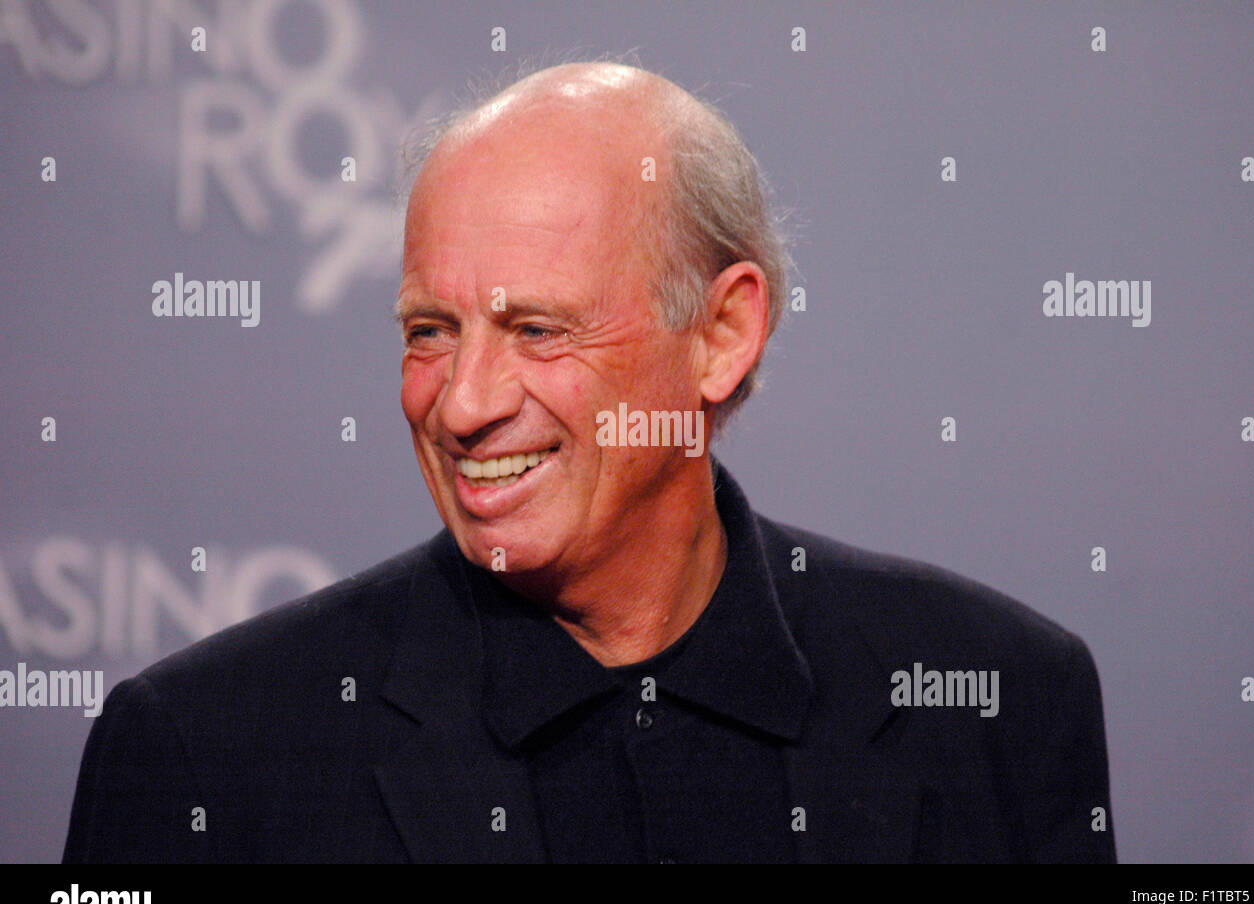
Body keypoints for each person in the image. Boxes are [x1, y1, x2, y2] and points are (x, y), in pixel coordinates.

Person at [63, 61, 1116, 863]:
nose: (462, 403)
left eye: (536, 331)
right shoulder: (209, 752)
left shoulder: (999, 701)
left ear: (720, 334)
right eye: (430, 330)